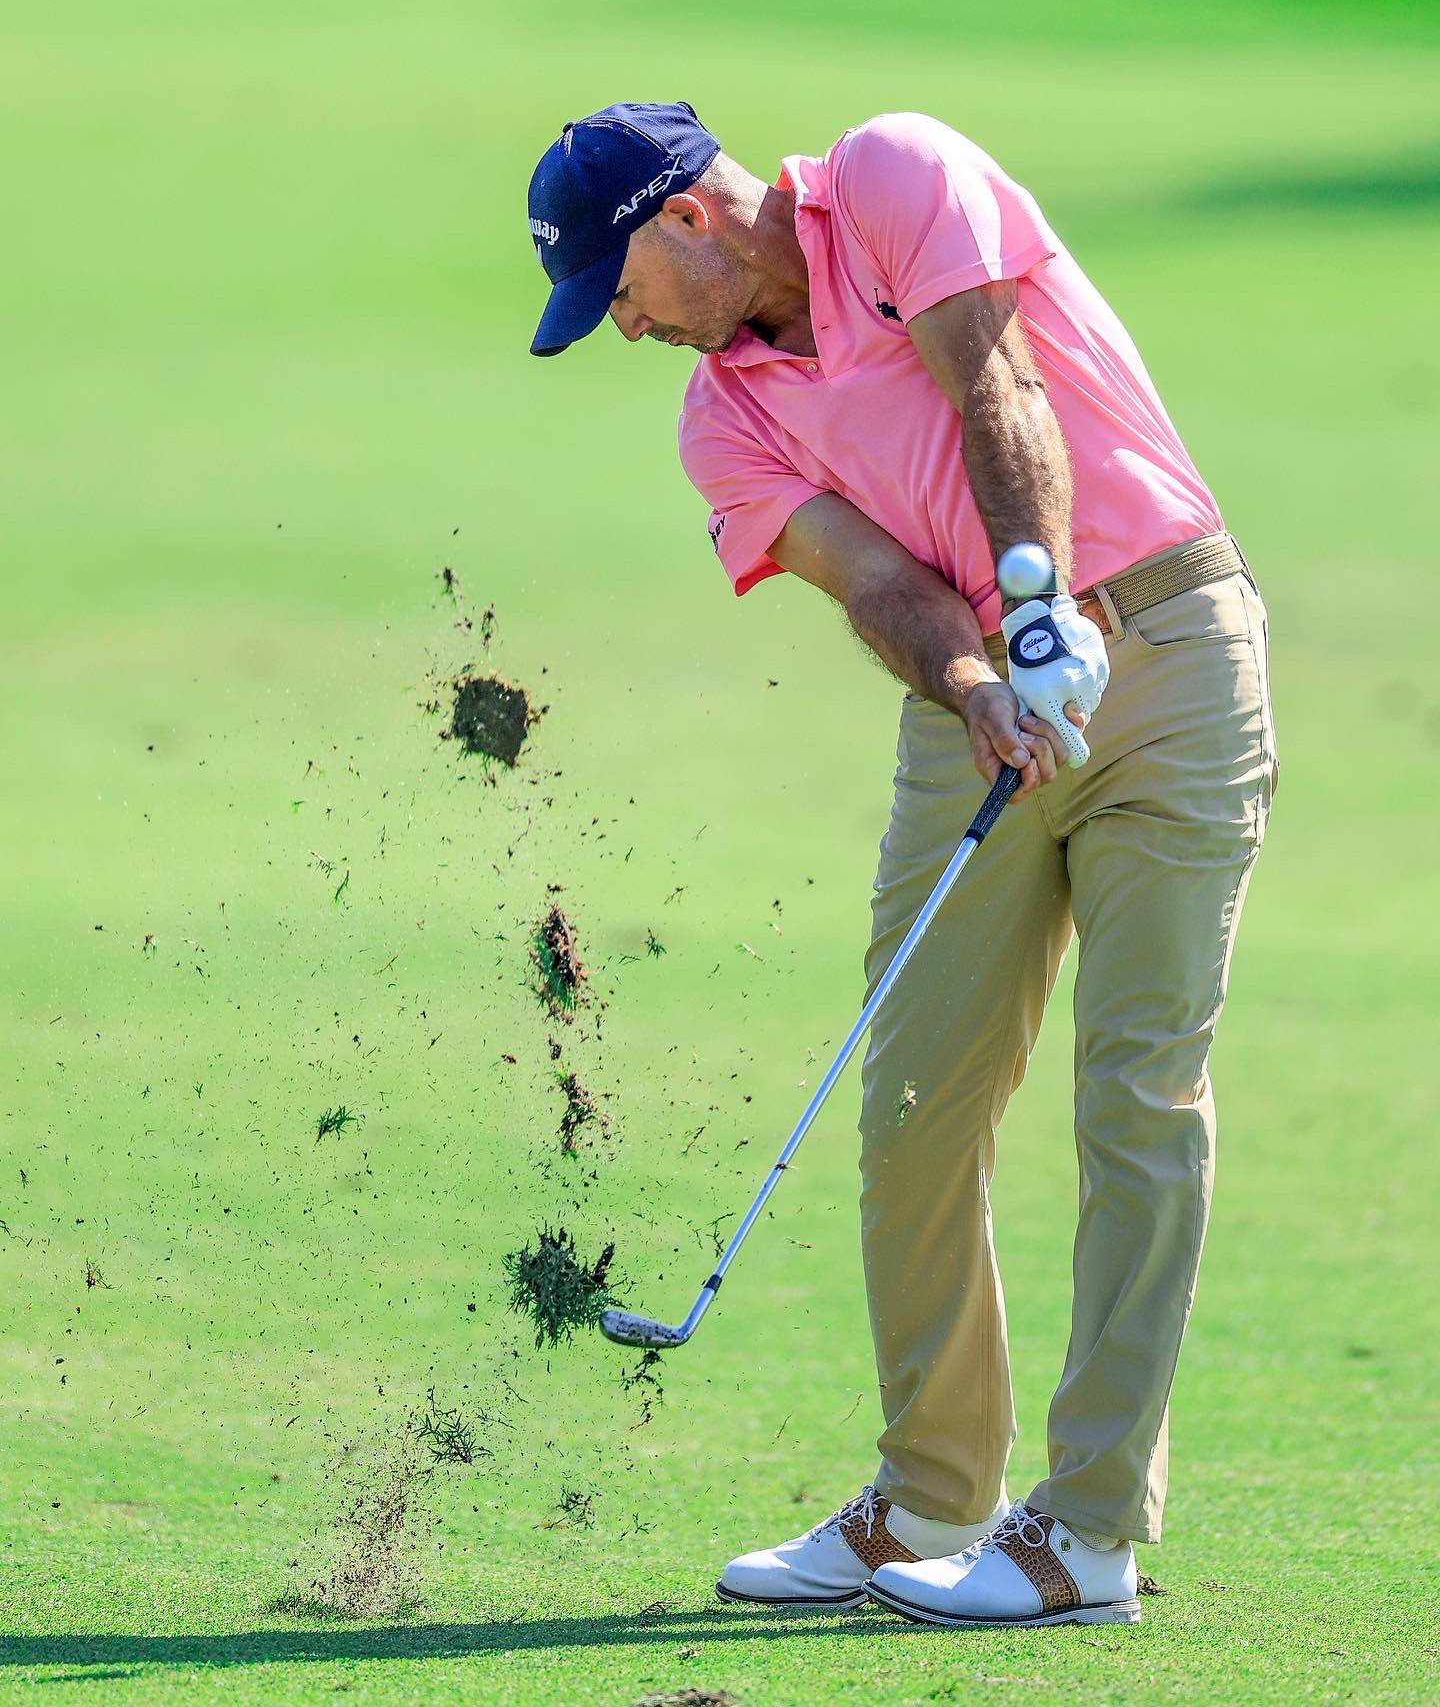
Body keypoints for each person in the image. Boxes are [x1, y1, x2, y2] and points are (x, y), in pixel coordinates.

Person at [526, 102, 1276, 1628]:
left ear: (683, 218)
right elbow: (866, 574)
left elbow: (995, 384)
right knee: (918, 1099)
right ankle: (932, 1495)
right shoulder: (719, 418)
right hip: (982, 715)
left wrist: (1040, 604)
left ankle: (1085, 1535)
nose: (624, 331)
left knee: (1136, 1091)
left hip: (1171, 654)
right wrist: (982, 683)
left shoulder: (892, 178)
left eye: (618, 292)